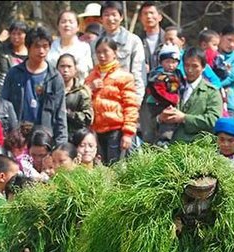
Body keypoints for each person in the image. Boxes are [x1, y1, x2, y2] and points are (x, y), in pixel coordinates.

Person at [1, 26, 69, 145]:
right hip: (18, 139)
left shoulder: (55, 78)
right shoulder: (14, 74)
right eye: (37, 46)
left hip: (45, 140)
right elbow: (3, 107)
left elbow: (60, 115)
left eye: (45, 46)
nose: (41, 51)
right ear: (28, 47)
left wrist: (61, 144)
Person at [86, 37, 139, 165]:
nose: (102, 55)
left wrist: (128, 133)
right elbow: (83, 99)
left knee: (115, 166)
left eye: (106, 51)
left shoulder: (124, 77)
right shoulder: (92, 76)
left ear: (115, 52)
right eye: (98, 52)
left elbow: (131, 106)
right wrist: (89, 89)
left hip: (116, 130)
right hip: (97, 130)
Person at [161, 48, 222, 144]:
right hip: (172, 145)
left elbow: (213, 120)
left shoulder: (211, 92)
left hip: (197, 146)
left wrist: (184, 118)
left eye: (195, 66)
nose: (189, 70)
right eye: (186, 65)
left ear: (203, 67)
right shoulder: (174, 86)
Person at [100, 0, 146, 99]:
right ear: (101, 19)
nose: (110, 18)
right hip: (101, 98)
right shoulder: (94, 43)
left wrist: (136, 101)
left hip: (125, 96)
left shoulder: (133, 41)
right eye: (106, 15)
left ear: (121, 17)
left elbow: (138, 74)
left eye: (114, 14)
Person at [142, 45, 184, 144]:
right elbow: (159, 92)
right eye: (167, 62)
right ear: (161, 62)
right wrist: (173, 99)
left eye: (173, 62)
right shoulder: (158, 76)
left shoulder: (178, 74)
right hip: (158, 104)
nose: (170, 65)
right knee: (164, 122)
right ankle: (163, 141)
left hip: (172, 103)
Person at [48, 9, 93, 81]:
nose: (67, 25)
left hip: (77, 88)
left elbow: (85, 69)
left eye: (71, 22)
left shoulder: (84, 48)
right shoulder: (50, 46)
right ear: (58, 26)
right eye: (63, 22)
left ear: (78, 27)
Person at [57, 54, 94, 141]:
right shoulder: (51, 90)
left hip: (75, 137)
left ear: (75, 70)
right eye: (62, 66)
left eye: (69, 66)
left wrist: (69, 113)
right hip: (55, 135)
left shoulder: (81, 92)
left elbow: (88, 118)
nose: (65, 70)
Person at [0, 21, 29, 89]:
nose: (16, 37)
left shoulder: (31, 54)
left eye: (19, 34)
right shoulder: (3, 51)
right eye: (13, 34)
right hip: (1, 91)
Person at [215, 25, 234, 118]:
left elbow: (233, 77)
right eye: (229, 40)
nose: (232, 45)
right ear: (220, 36)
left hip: (228, 103)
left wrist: (215, 86)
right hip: (209, 102)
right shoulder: (211, 54)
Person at [139, 1, 165, 72]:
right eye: (145, 14)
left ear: (160, 17)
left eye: (151, 13)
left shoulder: (168, 39)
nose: (148, 16)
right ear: (141, 18)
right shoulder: (137, 41)